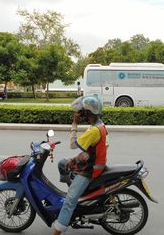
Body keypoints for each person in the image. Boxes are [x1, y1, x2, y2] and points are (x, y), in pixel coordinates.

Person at [51, 95, 108, 235]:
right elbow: (90, 151)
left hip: (90, 170)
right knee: (62, 163)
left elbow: (72, 145)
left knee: (69, 201)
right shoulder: (99, 125)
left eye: (82, 111)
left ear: (88, 112)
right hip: (92, 162)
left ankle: (58, 230)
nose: (79, 114)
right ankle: (75, 190)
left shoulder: (93, 131)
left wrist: (75, 123)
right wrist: (74, 160)